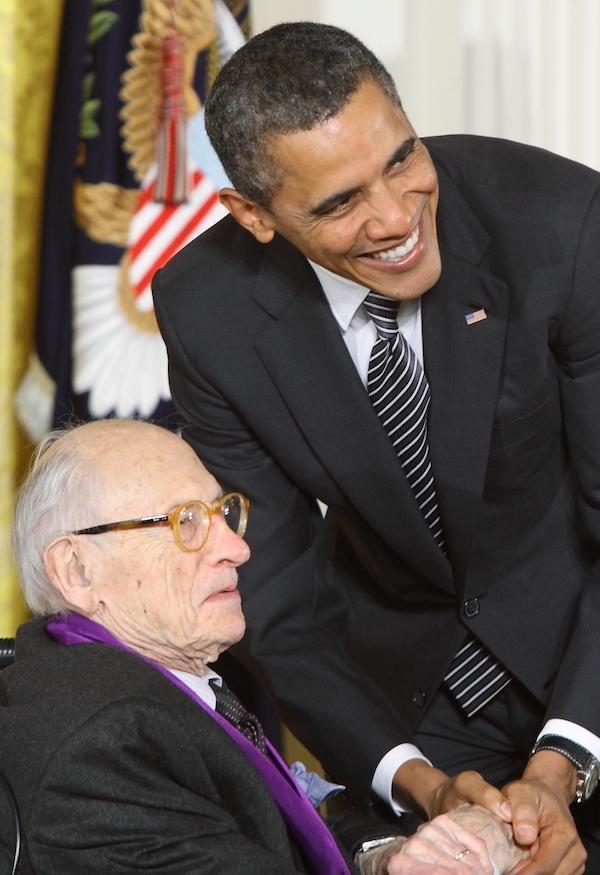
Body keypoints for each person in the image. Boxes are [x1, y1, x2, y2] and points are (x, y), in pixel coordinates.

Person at [152, 20, 600, 875]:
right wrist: (420, 782)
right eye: (339, 202)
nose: (396, 217)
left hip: (588, 648)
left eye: (401, 159)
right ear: (252, 213)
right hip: (408, 702)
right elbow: (277, 590)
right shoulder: (207, 308)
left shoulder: (565, 225)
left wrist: (563, 758)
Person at [2, 419, 525, 874]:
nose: (237, 548)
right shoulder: (101, 739)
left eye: (221, 513)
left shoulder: (129, 684)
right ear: (76, 570)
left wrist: (391, 857)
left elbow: (272, 838)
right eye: (185, 523)